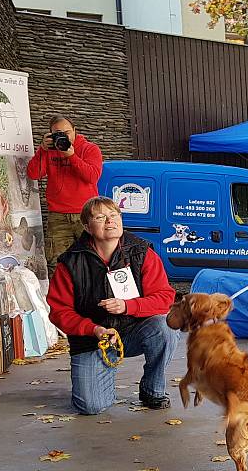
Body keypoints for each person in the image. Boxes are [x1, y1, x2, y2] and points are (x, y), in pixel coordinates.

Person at [47, 197, 179, 415]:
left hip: (132, 331)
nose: (110, 221)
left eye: (114, 215)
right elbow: (60, 312)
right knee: (91, 406)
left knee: (164, 328)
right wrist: (94, 329)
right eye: (100, 217)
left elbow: (165, 297)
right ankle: (100, 378)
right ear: (87, 227)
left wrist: (128, 306)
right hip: (93, 339)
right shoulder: (69, 263)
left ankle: (152, 390)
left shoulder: (142, 252)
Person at [27, 115, 103, 273]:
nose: (63, 137)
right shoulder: (49, 151)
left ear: (75, 131)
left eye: (67, 132)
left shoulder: (89, 149)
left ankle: (92, 297)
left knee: (94, 259)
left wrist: (71, 156)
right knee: (57, 262)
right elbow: (33, 174)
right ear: (51, 134)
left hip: (86, 214)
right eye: (58, 133)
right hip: (58, 215)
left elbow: (92, 176)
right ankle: (61, 297)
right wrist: (42, 149)